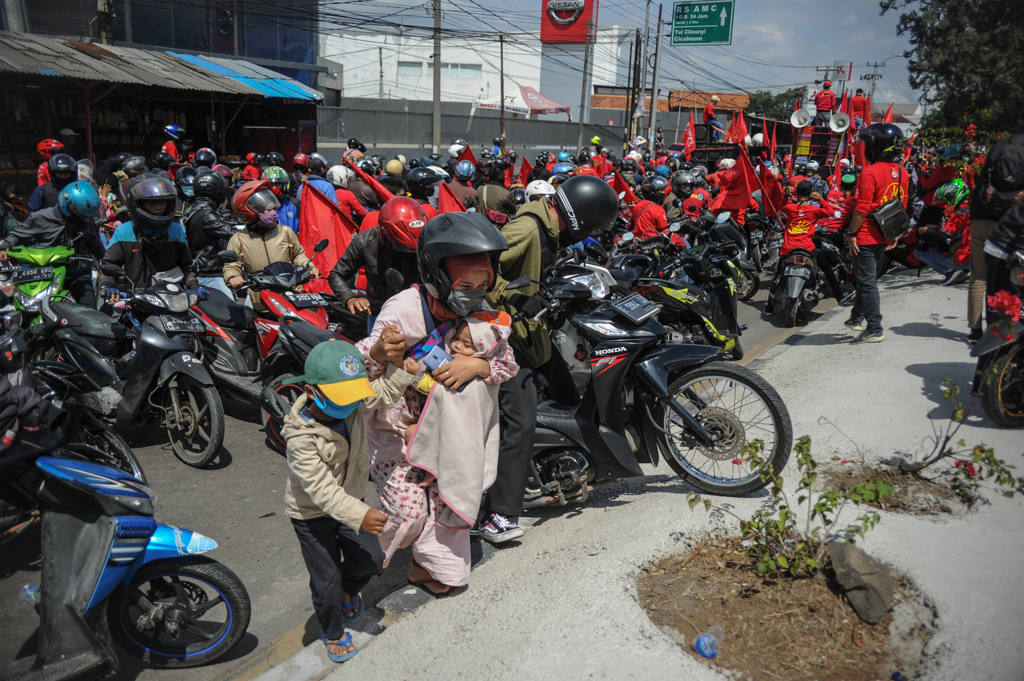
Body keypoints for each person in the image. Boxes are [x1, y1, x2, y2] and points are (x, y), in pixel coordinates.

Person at [355, 212, 516, 591]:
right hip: (395, 434)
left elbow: (507, 363)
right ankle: (357, 568)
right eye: (466, 284)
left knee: (449, 502)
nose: (475, 293)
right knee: (408, 515)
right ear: (437, 276)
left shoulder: (479, 313)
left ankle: (430, 568)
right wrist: (379, 353)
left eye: (482, 284)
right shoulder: (403, 310)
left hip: (450, 435)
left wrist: (475, 366)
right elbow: (356, 371)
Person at [481, 176, 618, 542]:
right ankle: (498, 515)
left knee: (569, 396)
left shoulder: (549, 232)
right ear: (580, 219)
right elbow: (479, 270)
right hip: (503, 337)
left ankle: (553, 472)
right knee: (520, 421)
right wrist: (519, 298)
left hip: (531, 335)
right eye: (590, 227)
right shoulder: (527, 230)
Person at [280, 338, 413, 664]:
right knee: (325, 580)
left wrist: (404, 372)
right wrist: (361, 513)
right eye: (342, 398)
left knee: (371, 559)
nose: (352, 405)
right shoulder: (299, 438)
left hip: (351, 504)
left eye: (355, 397)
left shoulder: (352, 402)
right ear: (312, 392)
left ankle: (346, 592)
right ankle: (334, 631)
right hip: (311, 515)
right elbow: (321, 490)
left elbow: (382, 392)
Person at [843, 123, 908, 344]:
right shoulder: (902, 172)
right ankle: (856, 318)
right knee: (866, 279)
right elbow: (902, 204)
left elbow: (862, 209)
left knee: (867, 282)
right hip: (885, 233)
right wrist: (895, 234)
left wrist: (851, 233)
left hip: (867, 235)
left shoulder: (869, 172)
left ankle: (874, 328)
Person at [0, 180, 103, 306]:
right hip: (43, 275)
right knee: (22, 305)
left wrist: (107, 265)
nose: (80, 217)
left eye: (84, 215)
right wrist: (5, 248)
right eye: (78, 212)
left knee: (90, 312)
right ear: (67, 203)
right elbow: (16, 235)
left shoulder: (86, 223)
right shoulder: (40, 218)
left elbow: (99, 251)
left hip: (76, 276)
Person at [329, 196, 427, 321]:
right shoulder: (364, 242)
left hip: (417, 314)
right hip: (379, 314)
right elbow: (336, 274)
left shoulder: (429, 241)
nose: (408, 252)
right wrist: (349, 298)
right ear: (385, 232)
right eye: (402, 245)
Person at [224, 180, 319, 309]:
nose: (273, 213)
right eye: (268, 210)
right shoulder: (239, 239)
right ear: (250, 212)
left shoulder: (285, 233)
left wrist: (309, 266)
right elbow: (231, 265)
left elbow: (298, 255)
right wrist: (233, 277)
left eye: (274, 209)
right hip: (260, 301)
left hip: (291, 297)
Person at [99, 173, 198, 296]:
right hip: (135, 298)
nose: (158, 207)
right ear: (137, 204)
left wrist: (194, 285)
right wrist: (107, 285)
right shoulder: (124, 231)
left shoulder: (176, 230)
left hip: (172, 298)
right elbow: (109, 265)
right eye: (152, 203)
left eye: (162, 202)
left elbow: (186, 267)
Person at [183, 170, 237, 299]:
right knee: (232, 309)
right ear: (217, 190)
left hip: (202, 271)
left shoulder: (194, 208)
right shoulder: (206, 214)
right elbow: (231, 233)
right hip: (209, 275)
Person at [263, 166, 300, 232]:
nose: (274, 188)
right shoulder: (261, 206)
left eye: (277, 184)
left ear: (284, 186)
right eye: (271, 185)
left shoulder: (294, 204)